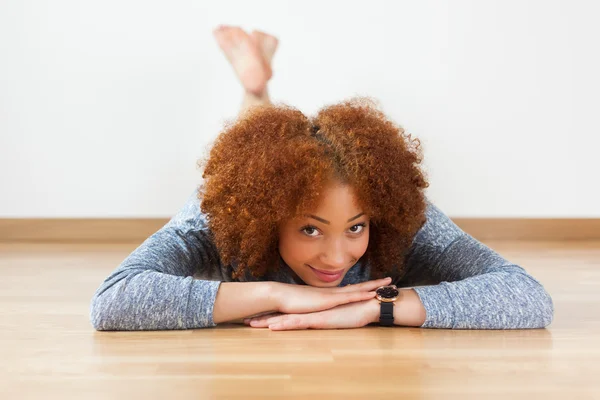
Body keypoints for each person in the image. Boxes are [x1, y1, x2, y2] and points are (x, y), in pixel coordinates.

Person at [89, 25, 554, 331]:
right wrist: (278, 295)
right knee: (252, 133)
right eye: (310, 228)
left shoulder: (404, 217)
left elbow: (529, 297)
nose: (337, 256)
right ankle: (254, 90)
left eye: (356, 227)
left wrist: (376, 308)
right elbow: (111, 300)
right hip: (250, 190)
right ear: (270, 222)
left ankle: (255, 86)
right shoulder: (216, 215)